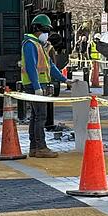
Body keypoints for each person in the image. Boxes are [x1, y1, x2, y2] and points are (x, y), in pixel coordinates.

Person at [21, 14, 69, 158]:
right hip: (34, 85)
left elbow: (50, 66)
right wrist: (37, 87)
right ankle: (40, 147)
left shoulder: (38, 45)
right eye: (45, 30)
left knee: (36, 116)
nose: (46, 34)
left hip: (37, 85)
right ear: (36, 29)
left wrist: (65, 80)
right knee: (40, 116)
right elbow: (31, 67)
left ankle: (34, 148)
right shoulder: (30, 44)